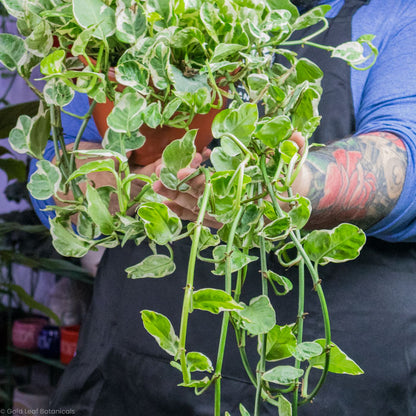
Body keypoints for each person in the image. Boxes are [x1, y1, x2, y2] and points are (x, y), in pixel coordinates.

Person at [29, 0, 416, 414]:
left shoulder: (397, 14)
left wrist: (288, 186)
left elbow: (402, 163)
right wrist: (106, 184)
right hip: (131, 372)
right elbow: (53, 164)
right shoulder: (149, 13)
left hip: (321, 388)